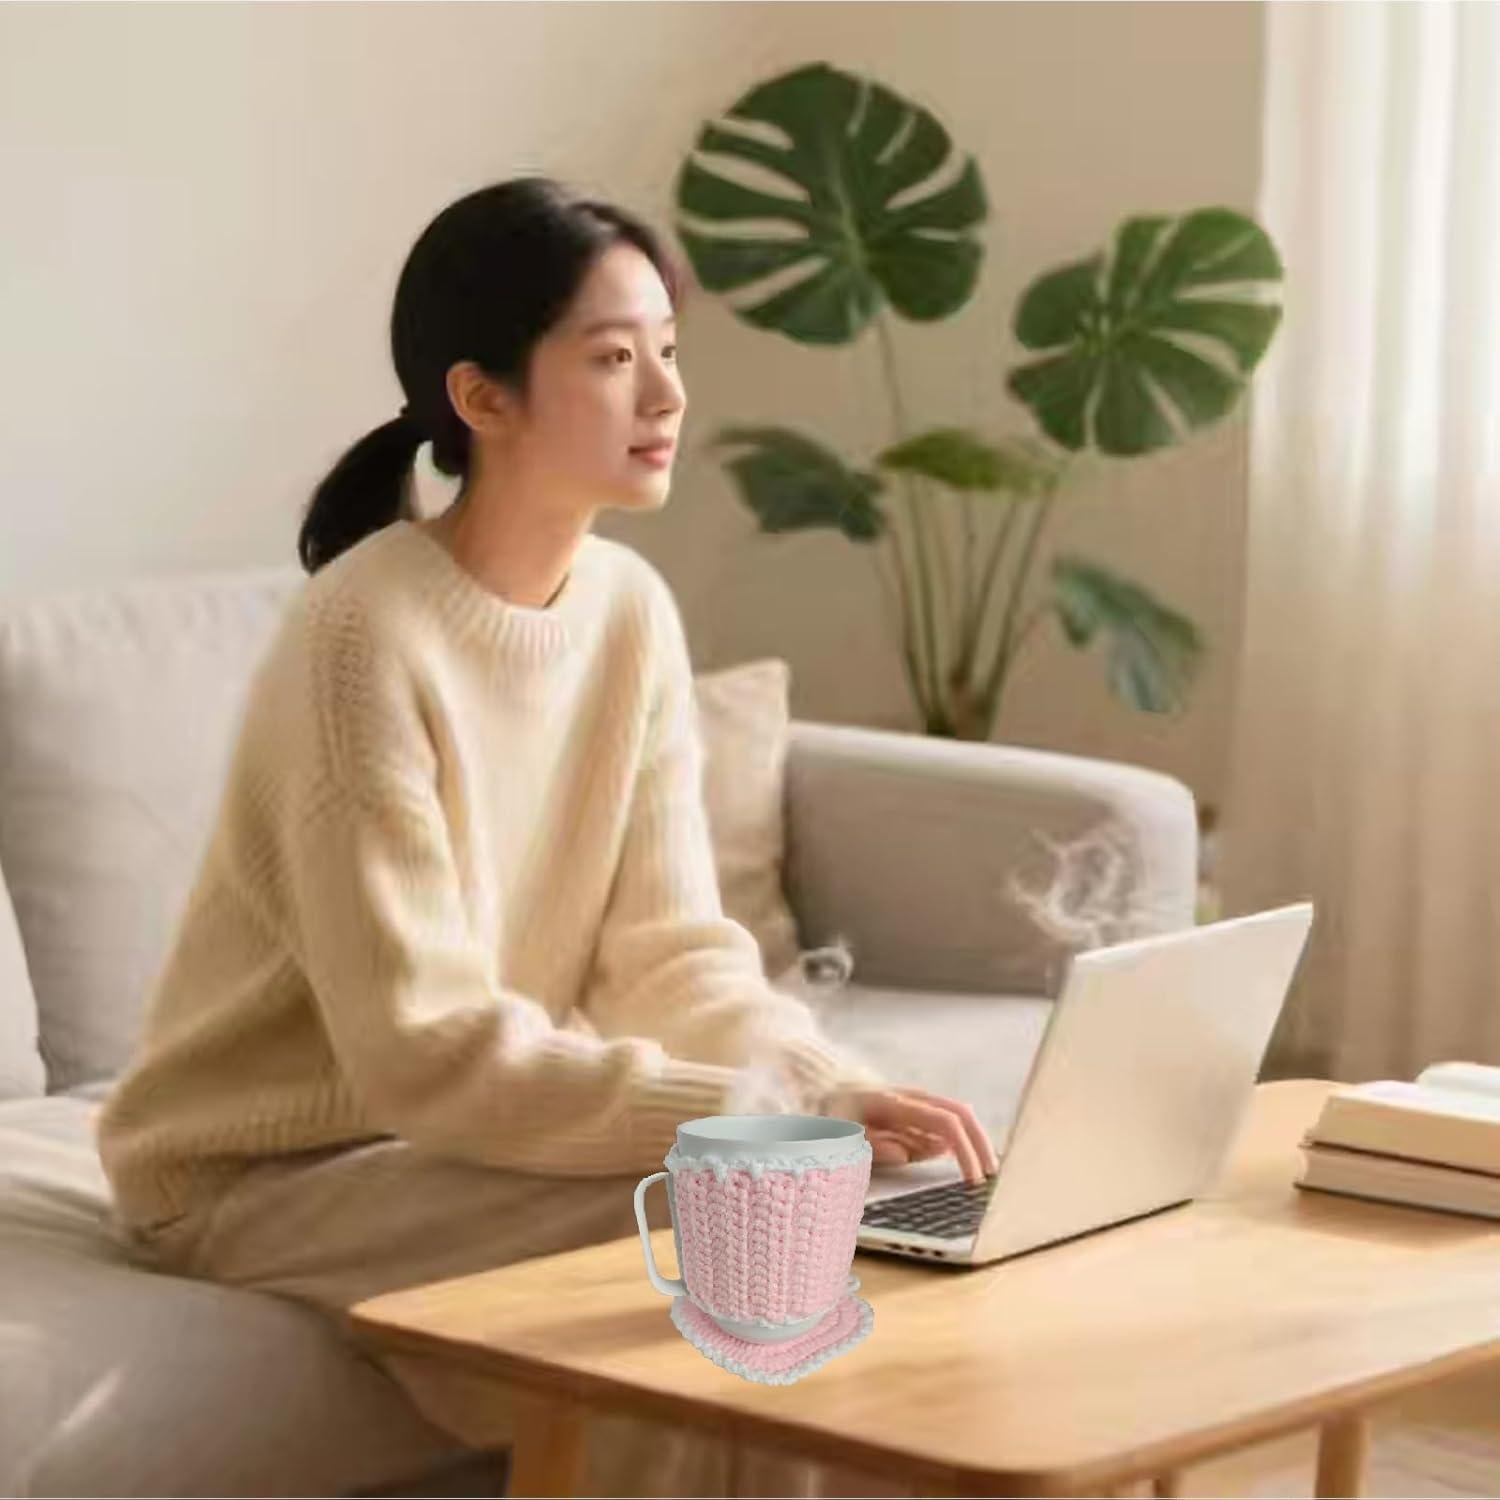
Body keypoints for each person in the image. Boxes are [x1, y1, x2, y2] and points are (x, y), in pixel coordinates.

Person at [95, 174, 999, 1496]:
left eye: (669, 354)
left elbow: (675, 954)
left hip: (450, 1135)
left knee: (846, 1209)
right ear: (483, 396)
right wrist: (759, 1113)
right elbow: (418, 1049)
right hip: (265, 1171)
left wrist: (814, 1079)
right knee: (720, 1223)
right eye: (614, 359)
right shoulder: (364, 636)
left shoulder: (628, 608)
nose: (668, 396)